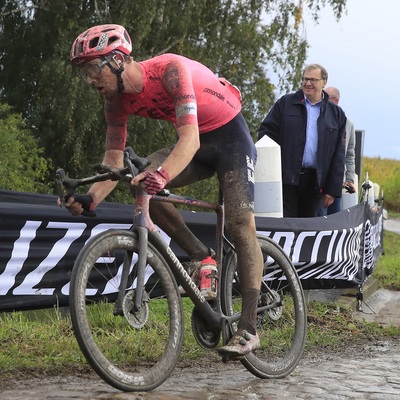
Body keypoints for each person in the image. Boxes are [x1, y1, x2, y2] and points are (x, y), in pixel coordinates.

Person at [62, 24, 263, 359]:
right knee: (138, 180)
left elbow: (190, 140)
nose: (91, 81)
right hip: (196, 144)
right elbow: (113, 161)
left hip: (229, 139)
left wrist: (164, 174)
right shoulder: (114, 102)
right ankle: (204, 257)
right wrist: (91, 197)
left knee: (239, 223)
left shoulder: (169, 71)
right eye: (84, 74)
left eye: (93, 70)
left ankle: (249, 327)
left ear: (116, 60)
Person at [258, 64, 347, 217]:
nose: (308, 83)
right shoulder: (285, 104)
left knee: (308, 229)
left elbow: (338, 154)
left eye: (313, 80)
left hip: (315, 183)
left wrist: (332, 190)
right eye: (305, 79)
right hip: (285, 179)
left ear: (324, 82)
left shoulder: (336, 114)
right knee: (285, 226)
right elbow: (266, 134)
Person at [317, 86, 356, 215]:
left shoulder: (348, 124)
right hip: (321, 183)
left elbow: (349, 154)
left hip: (338, 183)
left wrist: (349, 179)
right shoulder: (318, 119)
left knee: (335, 220)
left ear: (336, 101)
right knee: (320, 220)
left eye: (326, 98)